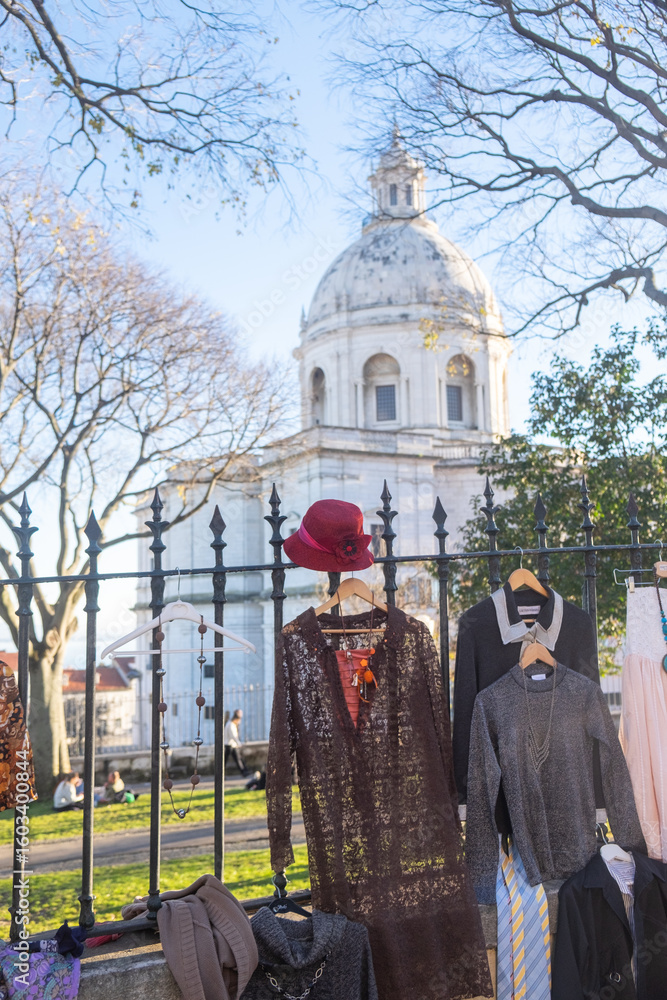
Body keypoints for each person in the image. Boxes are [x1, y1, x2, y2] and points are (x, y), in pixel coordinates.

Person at [224, 709, 248, 776]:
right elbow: (233, 736)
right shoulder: (231, 725)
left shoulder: (229, 723)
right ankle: (244, 772)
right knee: (237, 760)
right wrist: (239, 743)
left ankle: (244, 772)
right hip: (230, 745)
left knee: (236, 759)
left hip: (230, 744)